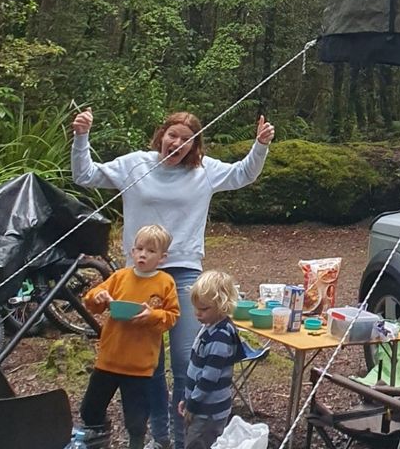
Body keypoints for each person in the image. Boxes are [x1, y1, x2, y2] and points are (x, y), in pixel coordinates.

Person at [72, 107, 275, 449]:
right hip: (139, 274)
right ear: (161, 135)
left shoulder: (204, 171)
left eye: (186, 140)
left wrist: (260, 145)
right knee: (149, 364)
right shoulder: (136, 163)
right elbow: (85, 175)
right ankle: (160, 437)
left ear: (195, 146)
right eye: (172, 136)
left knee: (186, 361)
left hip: (183, 273)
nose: (177, 143)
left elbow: (243, 175)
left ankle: (183, 441)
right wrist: (81, 136)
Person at [79, 224, 180, 449]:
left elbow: (172, 316)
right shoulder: (120, 277)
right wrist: (99, 297)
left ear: (162, 258)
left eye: (151, 251)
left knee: (136, 418)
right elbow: (91, 300)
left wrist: (151, 315)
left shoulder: (165, 282)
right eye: (139, 249)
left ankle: (136, 444)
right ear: (132, 251)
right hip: (109, 360)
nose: (143, 254)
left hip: (139, 366)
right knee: (90, 409)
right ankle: (98, 438)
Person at [178, 270, 243, 449]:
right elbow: (196, 366)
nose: (198, 314)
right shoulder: (209, 327)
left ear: (222, 305)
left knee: (198, 444)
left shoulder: (220, 337)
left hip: (208, 412)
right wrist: (187, 396)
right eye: (196, 308)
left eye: (204, 309)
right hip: (200, 405)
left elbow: (208, 377)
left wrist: (192, 404)